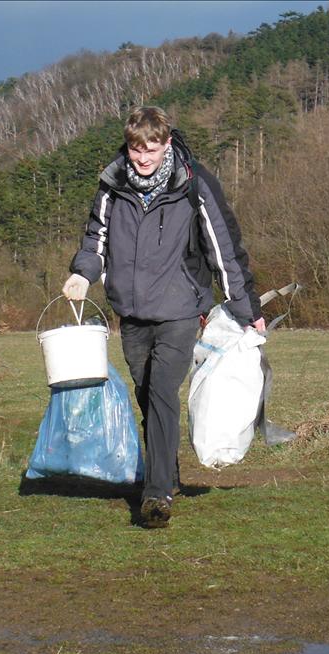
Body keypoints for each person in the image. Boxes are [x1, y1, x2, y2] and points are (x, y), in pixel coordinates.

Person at [63, 106, 264, 528]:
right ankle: (166, 472)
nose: (143, 158)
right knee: (145, 392)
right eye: (136, 149)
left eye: (151, 150)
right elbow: (96, 237)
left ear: (166, 144)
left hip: (180, 309)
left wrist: (247, 310)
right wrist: (83, 274)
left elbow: (224, 249)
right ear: (128, 145)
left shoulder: (193, 183)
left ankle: (156, 495)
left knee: (162, 392)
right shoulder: (112, 183)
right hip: (132, 311)